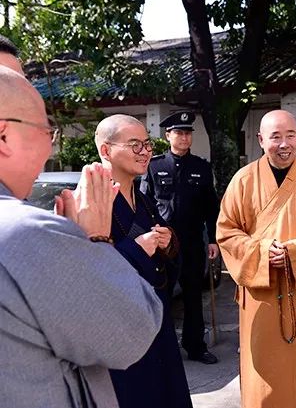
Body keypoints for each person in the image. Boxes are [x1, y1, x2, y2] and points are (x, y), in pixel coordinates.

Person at [0, 67, 163, 408]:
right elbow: (129, 331)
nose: (49, 147)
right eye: (47, 130)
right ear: (3, 136)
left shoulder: (143, 195)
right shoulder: (28, 232)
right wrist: (94, 244)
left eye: (147, 144)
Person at [217, 109, 296, 408]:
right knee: (265, 380)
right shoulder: (244, 180)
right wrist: (261, 255)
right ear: (261, 140)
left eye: (291, 135)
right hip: (261, 295)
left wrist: (295, 254)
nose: (284, 144)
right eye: (275, 137)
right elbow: (226, 232)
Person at [96, 114, 192, 408]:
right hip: (120, 329)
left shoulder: (143, 199)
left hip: (155, 317)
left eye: (147, 144)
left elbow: (166, 254)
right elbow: (86, 270)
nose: (146, 152)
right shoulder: (90, 202)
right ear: (106, 150)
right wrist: (136, 249)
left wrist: (168, 241)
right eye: (135, 145)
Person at [141, 111, 219, 364]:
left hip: (193, 241)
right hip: (164, 244)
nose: (184, 138)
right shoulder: (155, 166)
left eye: (188, 133)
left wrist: (213, 239)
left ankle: (195, 346)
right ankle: (162, 349)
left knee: (193, 295)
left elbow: (211, 206)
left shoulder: (201, 167)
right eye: (179, 133)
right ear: (168, 135)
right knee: (160, 294)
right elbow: (145, 203)